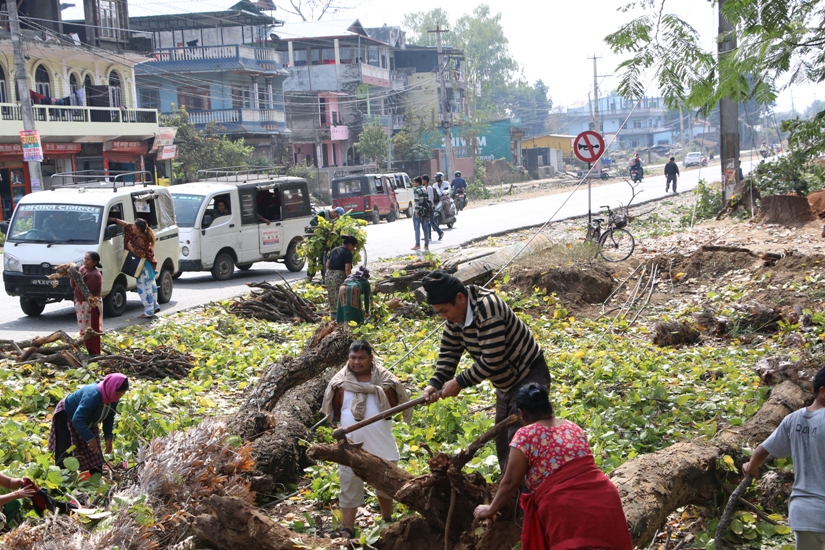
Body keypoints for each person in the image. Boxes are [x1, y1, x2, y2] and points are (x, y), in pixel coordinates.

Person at [473, 383, 634, 550]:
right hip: (605, 498)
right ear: (548, 405)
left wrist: (490, 509)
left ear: (521, 414)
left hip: (565, 508)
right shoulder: (573, 427)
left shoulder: (524, 436)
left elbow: (511, 482)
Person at [421, 270, 551, 468]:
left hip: (528, 375)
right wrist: (436, 383)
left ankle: (526, 493)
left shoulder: (488, 308)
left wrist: (459, 382)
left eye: (444, 311)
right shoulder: (454, 319)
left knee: (522, 441)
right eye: (439, 312)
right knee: (504, 441)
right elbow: (449, 353)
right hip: (505, 383)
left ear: (460, 298)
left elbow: (492, 359)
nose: (443, 317)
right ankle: (510, 492)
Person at [320, 340, 411, 539]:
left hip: (381, 442)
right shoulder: (340, 382)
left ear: (371, 357)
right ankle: (348, 528)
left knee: (386, 483)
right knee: (349, 484)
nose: (357, 362)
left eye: (362, 358)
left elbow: (395, 405)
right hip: (351, 444)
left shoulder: (386, 380)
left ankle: (387, 520)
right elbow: (335, 411)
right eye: (353, 358)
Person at [743, 366, 825, 549]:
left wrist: (751, 467)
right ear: (823, 391)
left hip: (803, 512)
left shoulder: (793, 420)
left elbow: (761, 451)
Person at [49, 373, 129, 474]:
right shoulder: (93, 395)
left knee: (95, 453)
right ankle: (63, 476)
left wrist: (108, 437)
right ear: (112, 388)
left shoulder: (113, 398)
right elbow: (78, 419)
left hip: (89, 419)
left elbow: (109, 417)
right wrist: (90, 439)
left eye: (122, 395)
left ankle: (94, 474)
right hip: (67, 415)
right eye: (118, 394)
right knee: (66, 450)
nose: (118, 398)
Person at [108, 217, 159, 318]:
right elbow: (127, 225)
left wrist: (131, 247)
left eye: (135, 226)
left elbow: (142, 254)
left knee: (144, 289)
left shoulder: (140, 239)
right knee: (151, 287)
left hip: (144, 268)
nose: (132, 227)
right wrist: (114, 220)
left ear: (139, 229)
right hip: (148, 266)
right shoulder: (141, 234)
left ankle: (149, 312)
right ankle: (154, 306)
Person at [71, 251, 103, 355]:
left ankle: (94, 353)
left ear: (95, 262)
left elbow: (85, 291)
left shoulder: (96, 275)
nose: (85, 261)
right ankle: (86, 352)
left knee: (91, 330)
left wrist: (77, 279)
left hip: (91, 306)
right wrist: (72, 276)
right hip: (80, 305)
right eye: (85, 259)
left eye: (88, 259)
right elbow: (74, 285)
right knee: (83, 330)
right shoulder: (82, 269)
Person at [324, 235, 357, 316]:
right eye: (354, 247)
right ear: (350, 245)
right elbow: (347, 269)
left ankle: (333, 317)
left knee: (332, 298)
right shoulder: (348, 253)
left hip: (328, 275)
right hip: (338, 277)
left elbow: (327, 265)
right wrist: (350, 280)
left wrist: (328, 276)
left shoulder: (334, 250)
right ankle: (341, 318)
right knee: (342, 298)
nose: (354, 249)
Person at [412, 176, 432, 251]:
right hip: (425, 211)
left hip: (419, 212)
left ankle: (417, 244)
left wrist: (416, 212)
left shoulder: (416, 190)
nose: (413, 183)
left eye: (414, 182)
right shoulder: (425, 190)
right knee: (425, 228)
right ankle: (426, 245)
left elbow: (417, 202)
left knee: (417, 228)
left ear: (417, 183)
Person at [423, 175, 444, 241]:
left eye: (422, 180)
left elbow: (430, 198)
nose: (422, 181)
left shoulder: (429, 188)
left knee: (431, 221)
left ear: (425, 181)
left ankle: (440, 232)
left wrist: (429, 206)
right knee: (428, 222)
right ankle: (429, 236)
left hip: (431, 207)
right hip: (429, 207)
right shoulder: (426, 187)